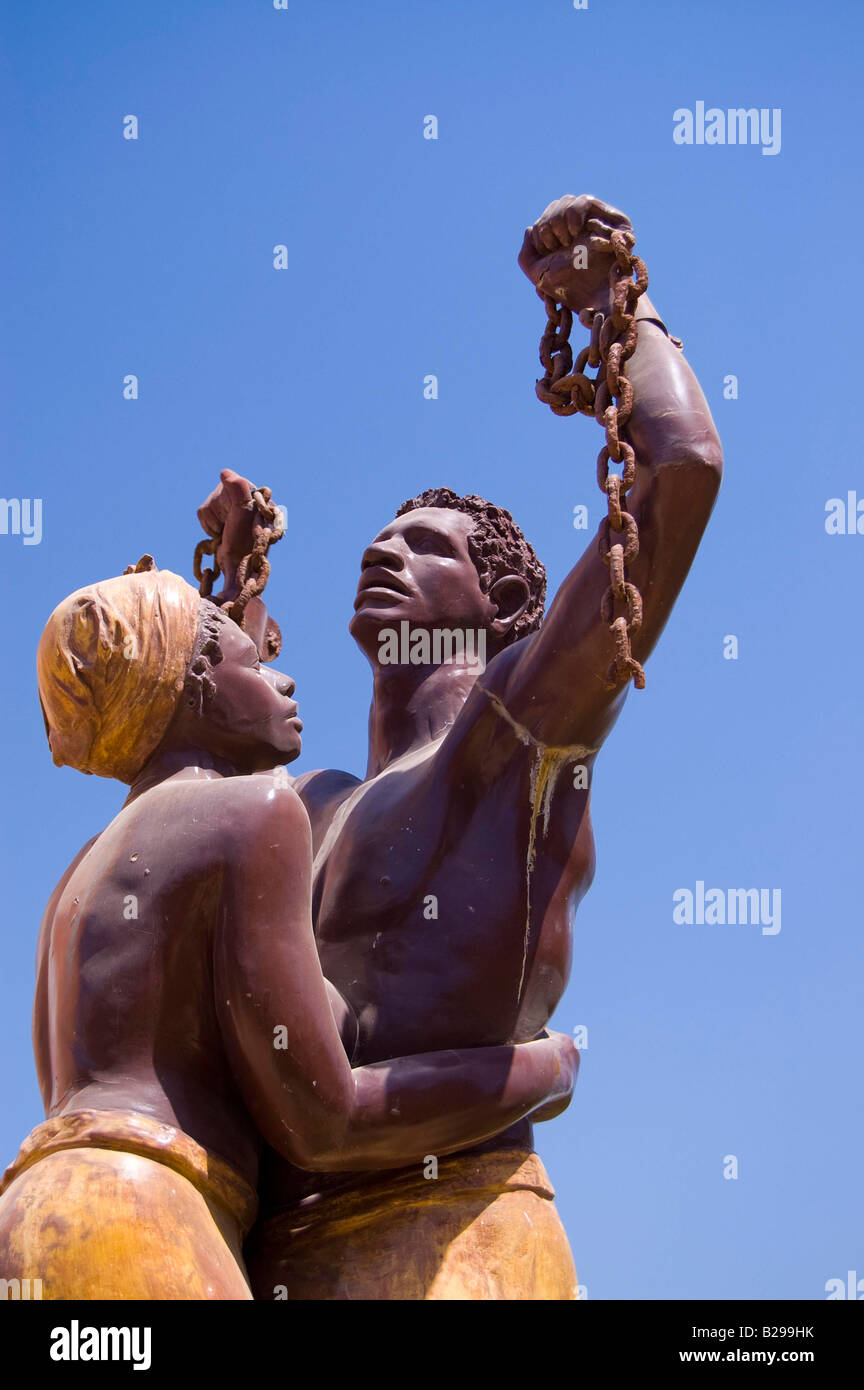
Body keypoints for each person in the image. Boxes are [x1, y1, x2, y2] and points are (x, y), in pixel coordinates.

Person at [196, 196, 724, 1300]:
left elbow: (679, 471)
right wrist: (239, 590)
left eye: (425, 546)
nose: (383, 549)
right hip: (287, 1250)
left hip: (457, 1233)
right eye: (381, 536)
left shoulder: (515, 729)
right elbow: (218, 799)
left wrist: (611, 300)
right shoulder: (325, 799)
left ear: (504, 602)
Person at [0, 561, 577, 1299]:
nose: (285, 683)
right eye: (256, 662)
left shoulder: (81, 875)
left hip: (38, 1209)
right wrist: (541, 1072)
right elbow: (326, 1121)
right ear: (198, 680)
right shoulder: (255, 812)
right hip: (137, 1220)